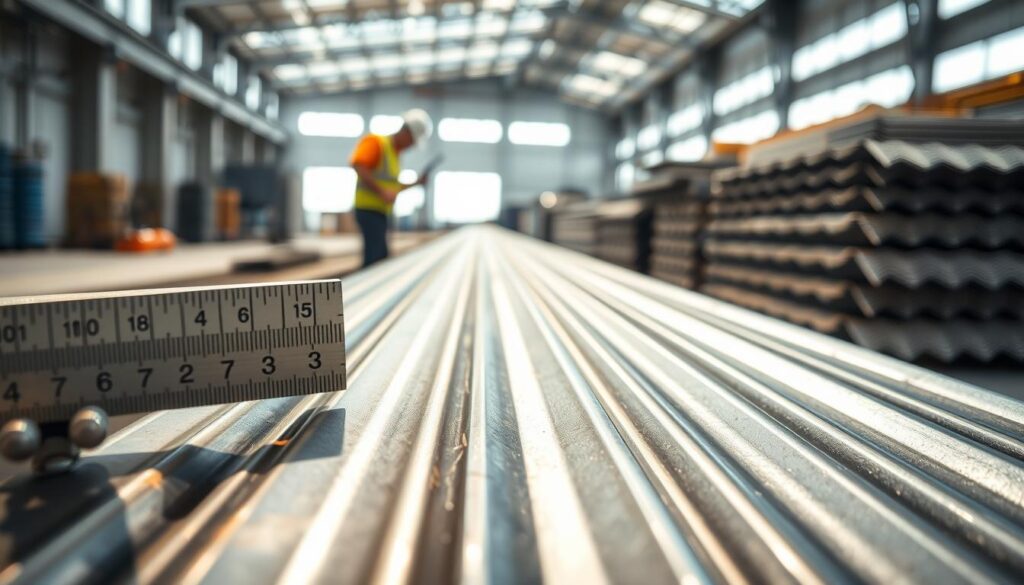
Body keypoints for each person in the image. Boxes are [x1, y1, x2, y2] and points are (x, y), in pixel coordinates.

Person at [349, 109, 432, 267]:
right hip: (368, 210)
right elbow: (358, 164)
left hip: (381, 212)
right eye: (412, 141)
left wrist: (417, 183)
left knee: (381, 256)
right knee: (374, 258)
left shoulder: (394, 155)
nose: (412, 146)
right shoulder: (376, 142)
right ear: (406, 132)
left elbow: (393, 187)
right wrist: (381, 192)